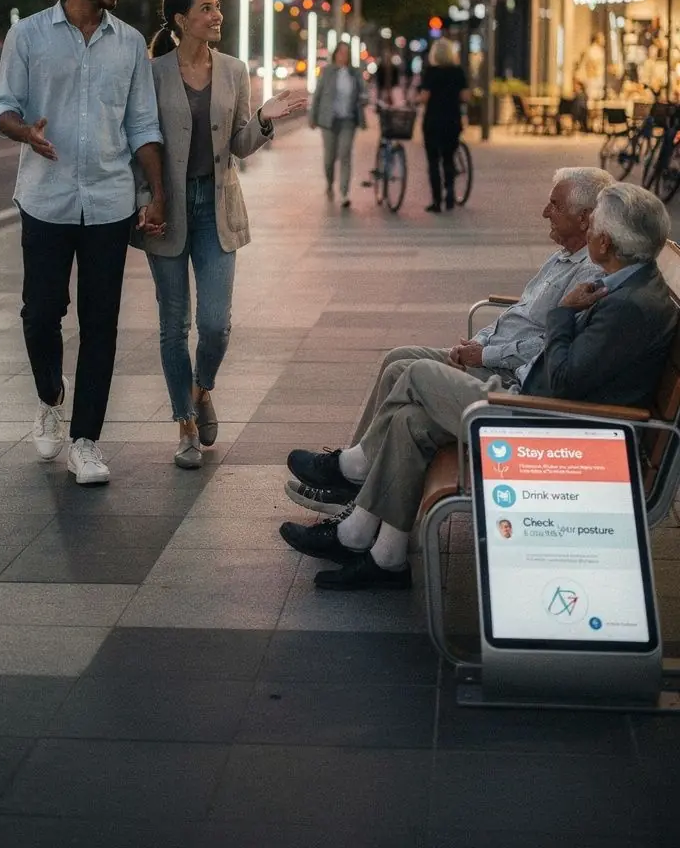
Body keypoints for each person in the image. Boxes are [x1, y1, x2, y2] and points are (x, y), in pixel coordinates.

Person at [281, 181, 677, 590]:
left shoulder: (627, 307)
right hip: (536, 401)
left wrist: (562, 313)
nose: (589, 230)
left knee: (416, 373)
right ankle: (386, 557)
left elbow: (562, 379)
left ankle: (355, 482)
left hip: (545, 423)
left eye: (594, 226)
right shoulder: (628, 285)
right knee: (410, 422)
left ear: (606, 242)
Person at [285, 165, 613, 515]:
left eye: (555, 205)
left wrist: (485, 354)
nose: (545, 212)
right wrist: (477, 343)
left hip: (506, 376)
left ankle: (353, 474)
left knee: (408, 375)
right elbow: (519, 316)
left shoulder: (589, 276)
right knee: (397, 358)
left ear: (585, 218)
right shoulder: (561, 256)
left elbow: (547, 345)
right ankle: (352, 476)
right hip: (492, 360)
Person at [0, 0, 165, 486]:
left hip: (110, 200)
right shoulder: (29, 35)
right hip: (45, 196)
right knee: (41, 314)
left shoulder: (131, 43)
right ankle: (49, 395)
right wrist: (26, 134)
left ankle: (86, 440)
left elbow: (142, 123)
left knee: (101, 322)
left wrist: (156, 192)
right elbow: (3, 107)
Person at [135, 0, 306, 469]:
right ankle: (185, 423)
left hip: (217, 207)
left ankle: (201, 386)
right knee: (174, 325)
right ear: (180, 20)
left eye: (217, 8)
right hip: (167, 209)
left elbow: (240, 145)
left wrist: (265, 119)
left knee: (215, 324)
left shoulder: (233, 70)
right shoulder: (152, 74)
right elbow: (141, 142)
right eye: (206, 8)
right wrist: (147, 199)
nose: (217, 15)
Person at [309, 41, 367, 207]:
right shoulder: (327, 72)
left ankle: (344, 193)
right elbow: (318, 95)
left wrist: (364, 99)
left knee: (345, 154)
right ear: (335, 54)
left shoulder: (354, 73)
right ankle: (329, 184)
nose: (344, 55)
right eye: (341, 52)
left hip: (348, 120)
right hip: (329, 121)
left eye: (346, 52)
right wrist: (313, 117)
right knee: (329, 158)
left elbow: (363, 92)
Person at [419, 38, 469, 212]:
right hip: (452, 121)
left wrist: (417, 99)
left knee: (433, 162)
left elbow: (424, 97)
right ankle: (450, 195)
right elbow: (465, 97)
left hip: (433, 121)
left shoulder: (431, 72)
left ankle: (436, 201)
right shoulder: (458, 72)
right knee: (448, 160)